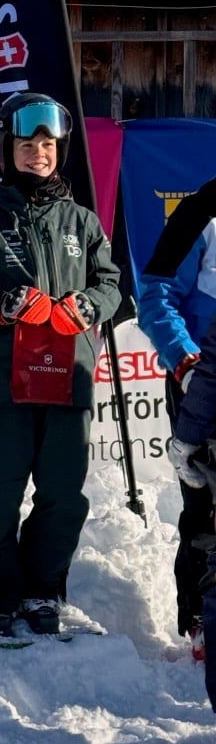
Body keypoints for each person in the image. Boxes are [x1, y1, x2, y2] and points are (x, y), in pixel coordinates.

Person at [0, 92, 121, 637]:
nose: (38, 154)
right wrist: (0, 308)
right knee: (3, 487)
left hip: (69, 380)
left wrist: (89, 305)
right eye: (26, 145)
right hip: (5, 382)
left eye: (47, 145)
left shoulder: (83, 222)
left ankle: (43, 588)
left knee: (63, 492)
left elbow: (111, 285)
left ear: (60, 150)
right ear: (7, 150)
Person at [138, 178, 216, 661]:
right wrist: (186, 364)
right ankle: (203, 616)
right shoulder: (200, 214)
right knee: (206, 507)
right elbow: (155, 296)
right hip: (204, 385)